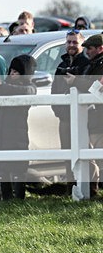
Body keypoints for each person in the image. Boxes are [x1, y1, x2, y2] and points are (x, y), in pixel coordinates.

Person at [0, 55, 37, 200]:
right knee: (3, 167)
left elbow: (28, 92)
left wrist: (1, 87)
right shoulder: (5, 87)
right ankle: (7, 198)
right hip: (1, 133)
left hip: (17, 134)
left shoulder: (28, 87)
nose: (11, 74)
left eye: (16, 72)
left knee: (18, 167)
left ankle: (18, 197)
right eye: (11, 71)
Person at [51, 29, 90, 188]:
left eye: (75, 42)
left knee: (84, 153)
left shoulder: (87, 64)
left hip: (83, 118)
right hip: (65, 117)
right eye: (69, 42)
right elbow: (54, 89)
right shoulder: (61, 65)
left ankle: (86, 188)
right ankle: (70, 187)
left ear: (82, 44)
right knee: (67, 152)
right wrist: (58, 110)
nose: (71, 45)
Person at [78, 33, 103, 196]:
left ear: (100, 48)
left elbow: (96, 88)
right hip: (92, 118)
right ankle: (92, 191)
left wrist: (75, 81)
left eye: (90, 48)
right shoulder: (92, 64)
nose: (87, 51)